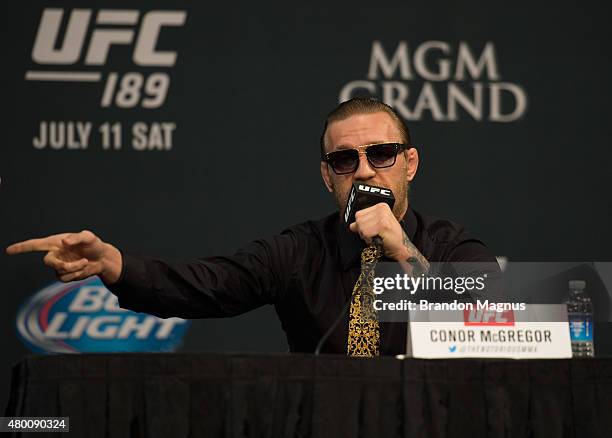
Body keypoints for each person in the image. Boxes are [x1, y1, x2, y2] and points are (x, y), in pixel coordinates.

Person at [6, 97, 498, 355]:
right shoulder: (299, 251)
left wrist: (403, 250)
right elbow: (208, 286)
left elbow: (496, 319)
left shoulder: (450, 244)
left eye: (382, 154)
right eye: (346, 160)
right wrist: (114, 265)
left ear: (409, 163)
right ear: (328, 176)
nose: (365, 170)